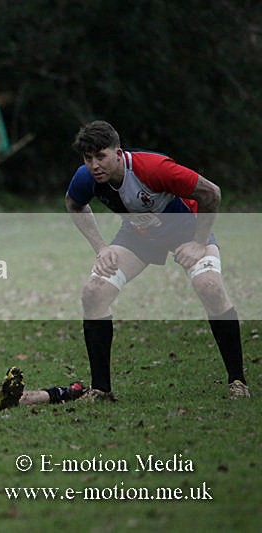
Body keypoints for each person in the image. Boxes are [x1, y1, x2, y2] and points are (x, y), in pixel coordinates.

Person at [65, 120, 250, 400]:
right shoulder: (85, 177)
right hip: (138, 236)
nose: (94, 165)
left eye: (100, 156)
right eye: (88, 158)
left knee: (210, 287)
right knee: (94, 293)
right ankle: (101, 390)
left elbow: (211, 193)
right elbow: (74, 204)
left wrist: (199, 242)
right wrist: (101, 247)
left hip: (187, 230)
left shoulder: (153, 168)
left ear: (118, 152)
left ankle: (238, 381)